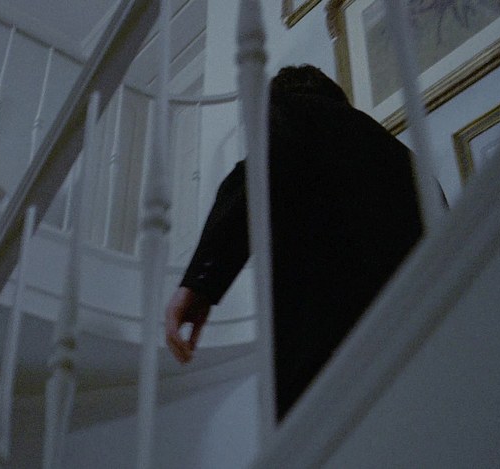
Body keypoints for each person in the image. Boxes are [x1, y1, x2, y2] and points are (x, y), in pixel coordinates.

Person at [165, 65, 425, 422]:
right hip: (417, 340)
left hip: (329, 353)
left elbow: (253, 179)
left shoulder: (292, 115)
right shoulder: (402, 156)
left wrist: (200, 283)